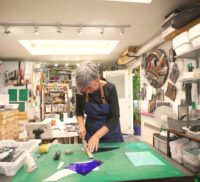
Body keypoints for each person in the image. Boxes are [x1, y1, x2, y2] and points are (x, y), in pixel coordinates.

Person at [75, 62, 123, 153]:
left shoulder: (110, 89)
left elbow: (115, 117)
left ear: (97, 78)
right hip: (91, 131)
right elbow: (79, 111)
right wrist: (81, 126)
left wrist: (97, 136)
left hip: (110, 134)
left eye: (89, 87)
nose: (87, 92)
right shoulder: (82, 90)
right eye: (84, 90)